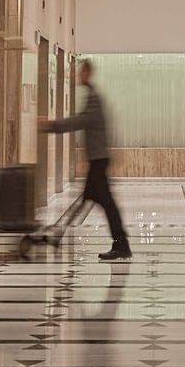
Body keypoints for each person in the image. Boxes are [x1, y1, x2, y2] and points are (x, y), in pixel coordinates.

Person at [40, 59, 132, 261]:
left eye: (80, 73)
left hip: (99, 160)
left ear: (87, 74)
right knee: (87, 200)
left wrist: (52, 125)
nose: (77, 76)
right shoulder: (93, 96)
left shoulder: (94, 98)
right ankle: (59, 234)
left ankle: (122, 244)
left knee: (105, 203)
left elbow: (81, 120)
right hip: (98, 159)